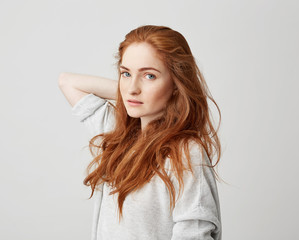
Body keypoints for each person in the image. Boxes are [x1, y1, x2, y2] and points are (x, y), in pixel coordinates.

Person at [58, 25, 222, 240]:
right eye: (126, 73)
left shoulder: (186, 152)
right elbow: (67, 82)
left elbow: (194, 234)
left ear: (176, 83)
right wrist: (130, 91)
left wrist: (133, 90)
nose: (133, 87)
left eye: (150, 76)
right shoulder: (119, 135)